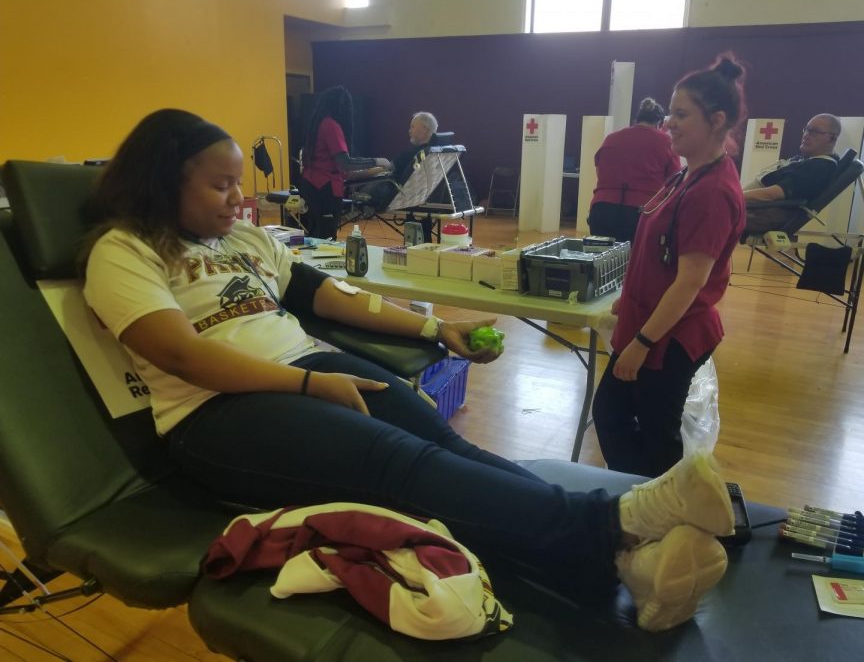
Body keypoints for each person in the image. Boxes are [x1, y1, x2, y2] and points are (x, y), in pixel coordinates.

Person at [81, 108, 735, 632]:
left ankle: (624, 569)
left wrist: (434, 327)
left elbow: (329, 296)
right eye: (220, 185)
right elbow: (181, 355)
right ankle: (615, 520)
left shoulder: (244, 240)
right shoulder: (124, 252)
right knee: (402, 466)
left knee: (447, 446)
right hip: (214, 414)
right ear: (166, 180)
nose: (237, 199)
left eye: (237, 184)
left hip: (306, 369)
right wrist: (311, 384)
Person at [592, 55, 748, 479]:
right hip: (648, 320)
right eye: (670, 113)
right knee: (612, 415)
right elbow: (656, 249)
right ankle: (644, 500)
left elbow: (690, 282)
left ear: (716, 121)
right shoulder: (686, 175)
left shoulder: (712, 191)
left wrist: (642, 343)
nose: (669, 124)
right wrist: (630, 296)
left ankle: (667, 513)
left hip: (669, 334)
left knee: (655, 435)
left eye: (681, 115)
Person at [299, 86, 391, 240]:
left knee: (315, 234)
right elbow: (345, 163)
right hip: (325, 188)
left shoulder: (317, 124)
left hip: (311, 185)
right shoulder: (331, 126)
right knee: (326, 237)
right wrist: (376, 161)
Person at [587, 98, 682, 242]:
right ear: (660, 123)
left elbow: (600, 173)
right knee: (635, 263)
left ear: (636, 119)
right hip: (641, 213)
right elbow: (674, 184)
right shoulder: (666, 142)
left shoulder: (611, 139)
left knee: (603, 262)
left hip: (602, 210)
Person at [742, 113, 841, 236]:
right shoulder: (810, 160)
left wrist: (734, 197)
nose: (806, 135)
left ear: (832, 138)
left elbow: (773, 194)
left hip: (758, 212)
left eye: (814, 132)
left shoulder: (819, 168)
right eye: (806, 129)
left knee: (712, 210)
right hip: (752, 207)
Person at [355, 111, 442, 239]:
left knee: (362, 187)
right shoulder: (437, 151)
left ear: (424, 129)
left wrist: (358, 174)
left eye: (412, 126)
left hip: (400, 196)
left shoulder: (411, 154)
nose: (409, 130)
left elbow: (388, 168)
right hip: (427, 195)